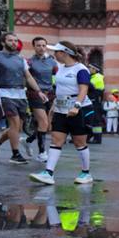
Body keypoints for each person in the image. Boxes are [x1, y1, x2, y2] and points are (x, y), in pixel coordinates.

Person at [28, 41, 95, 186]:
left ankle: (86, 173)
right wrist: (53, 108)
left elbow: (83, 89)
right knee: (56, 139)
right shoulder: (60, 68)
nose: (54, 54)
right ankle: (48, 173)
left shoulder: (81, 69)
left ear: (64, 53)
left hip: (80, 109)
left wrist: (77, 106)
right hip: (61, 108)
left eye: (56, 51)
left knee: (79, 142)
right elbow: (59, 90)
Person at [0, 33, 42, 165]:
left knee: (17, 127)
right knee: (14, 124)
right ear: (3, 42)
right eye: (10, 40)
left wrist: (38, 91)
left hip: (20, 94)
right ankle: (15, 154)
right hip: (4, 93)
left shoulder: (20, 59)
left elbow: (28, 77)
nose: (14, 43)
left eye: (16, 41)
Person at [25, 36, 58, 161]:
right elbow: (26, 77)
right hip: (35, 94)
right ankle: (42, 153)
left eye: (44, 45)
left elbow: (57, 77)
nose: (41, 48)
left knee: (47, 126)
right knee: (43, 122)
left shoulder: (52, 61)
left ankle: (28, 141)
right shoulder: (29, 62)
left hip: (50, 94)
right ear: (34, 47)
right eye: (38, 45)